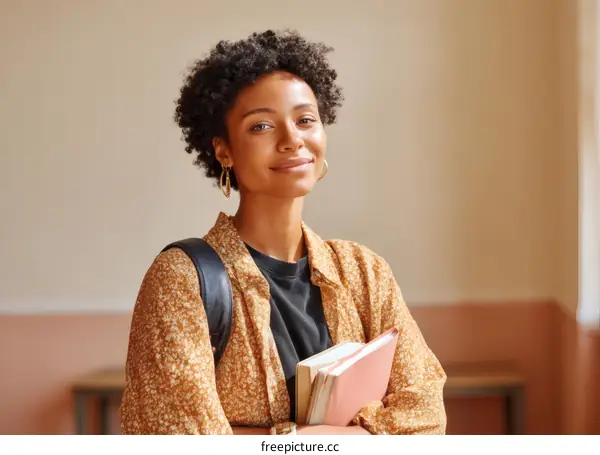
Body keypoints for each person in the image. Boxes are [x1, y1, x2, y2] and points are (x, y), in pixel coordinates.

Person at [120, 29, 447, 436]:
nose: (293, 140)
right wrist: (363, 435)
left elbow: (426, 417)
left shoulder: (365, 273)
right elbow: (180, 438)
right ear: (223, 150)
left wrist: (299, 439)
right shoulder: (182, 280)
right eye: (261, 126)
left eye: (306, 120)